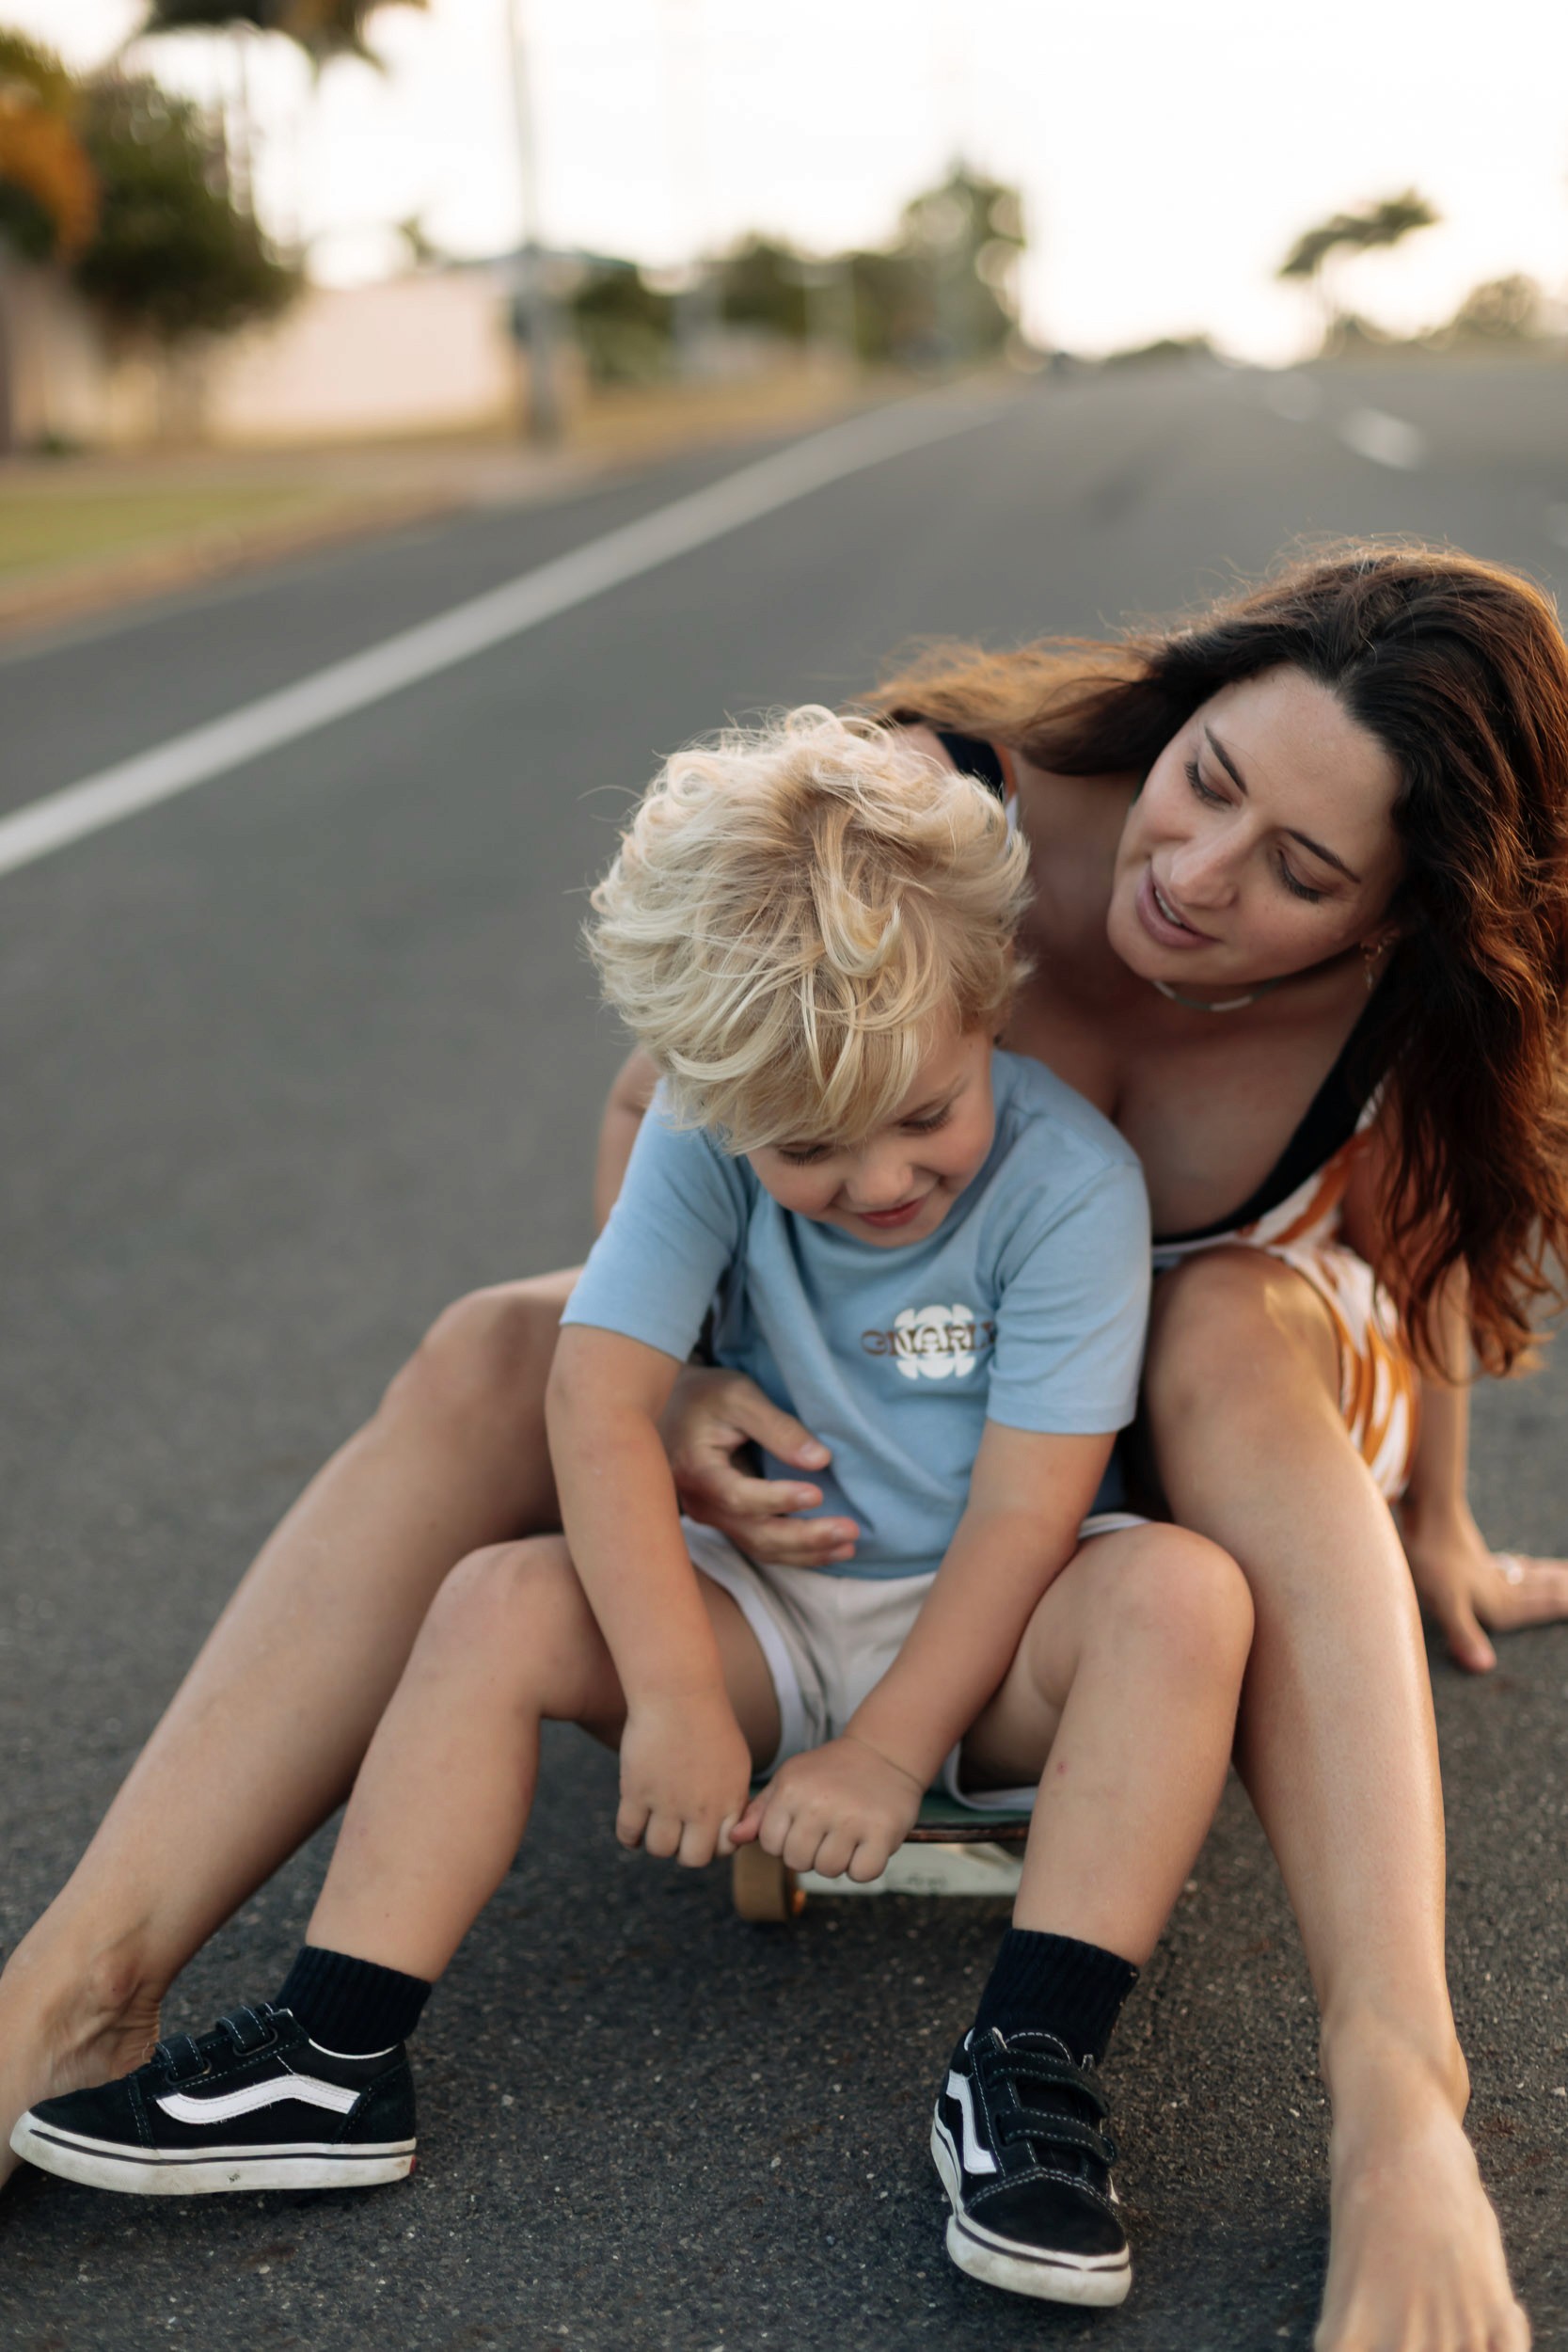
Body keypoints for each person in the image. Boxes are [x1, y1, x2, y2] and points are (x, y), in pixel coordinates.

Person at [4, 546, 1564, 2351]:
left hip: (1206, 1417)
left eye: (1300, 871)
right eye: (1206, 779)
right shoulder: (930, 821)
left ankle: (1398, 2109)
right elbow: (663, 1102)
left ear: (1400, 917)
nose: (1199, 872)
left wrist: (1436, 1518)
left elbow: (1435, 1252)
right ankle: (85, 1981)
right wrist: (669, 1391)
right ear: (1189, 701)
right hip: (868, 1396)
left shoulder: (1406, 1004)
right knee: (499, 1347)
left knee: (1212, 1322)